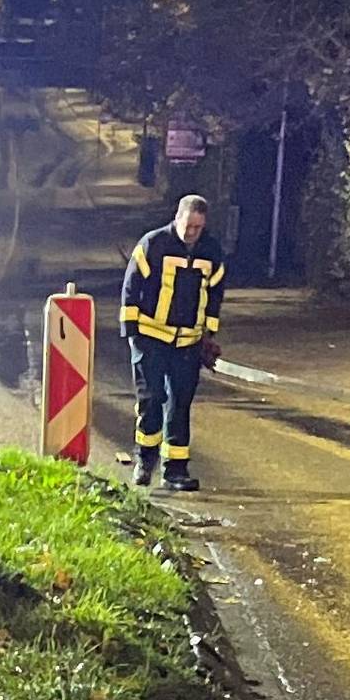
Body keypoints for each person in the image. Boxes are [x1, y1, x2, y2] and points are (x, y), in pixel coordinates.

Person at [119, 194, 228, 491]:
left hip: (188, 345)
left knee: (180, 405)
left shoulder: (211, 251)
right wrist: (132, 332)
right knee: (152, 399)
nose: (192, 232)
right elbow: (131, 288)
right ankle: (145, 460)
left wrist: (208, 336)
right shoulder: (153, 245)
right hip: (150, 339)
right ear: (177, 218)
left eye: (198, 227)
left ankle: (176, 470)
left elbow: (214, 296)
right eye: (189, 225)